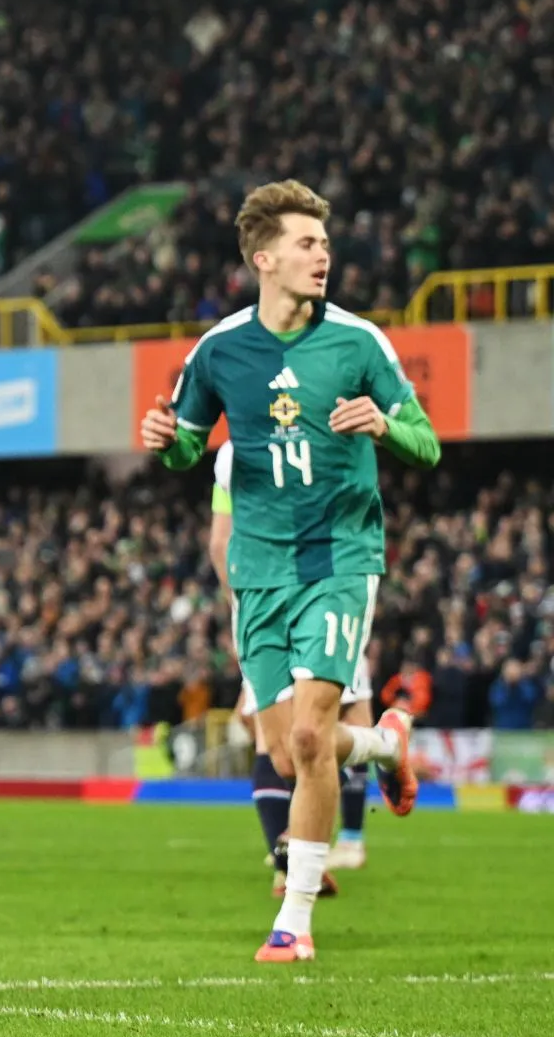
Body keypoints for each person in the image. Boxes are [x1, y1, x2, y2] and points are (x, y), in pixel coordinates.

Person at [142, 179, 436, 963]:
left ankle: (294, 921)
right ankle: (383, 746)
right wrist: (165, 441)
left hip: (340, 558)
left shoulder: (359, 342)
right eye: (307, 244)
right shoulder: (219, 350)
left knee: (309, 735)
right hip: (258, 569)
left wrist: (387, 427)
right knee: (281, 751)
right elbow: (186, 445)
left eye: (325, 244)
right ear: (263, 259)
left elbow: (428, 442)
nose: (323, 256)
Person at [211, 441, 345, 898]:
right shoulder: (317, 434)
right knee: (315, 730)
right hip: (321, 596)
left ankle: (288, 864)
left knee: (275, 741)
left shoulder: (234, 451)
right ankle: (308, 855)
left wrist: (241, 607)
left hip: (259, 598)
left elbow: (219, 544)